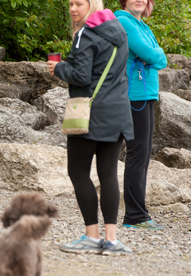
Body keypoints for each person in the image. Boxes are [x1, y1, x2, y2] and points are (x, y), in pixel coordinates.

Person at [47, 0, 135, 255]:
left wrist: (59, 68)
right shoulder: (119, 28)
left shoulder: (86, 33)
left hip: (90, 113)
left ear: (92, 4)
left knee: (78, 172)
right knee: (108, 174)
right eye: (71, 4)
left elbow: (82, 76)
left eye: (79, 3)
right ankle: (112, 240)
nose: (73, 9)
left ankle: (92, 236)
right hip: (119, 111)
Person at [115, 0, 168, 230]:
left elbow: (161, 59)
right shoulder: (124, 22)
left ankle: (139, 212)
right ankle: (135, 216)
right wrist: (153, 56)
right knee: (137, 154)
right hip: (133, 96)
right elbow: (150, 53)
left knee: (144, 155)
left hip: (146, 95)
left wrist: (154, 56)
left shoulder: (142, 25)